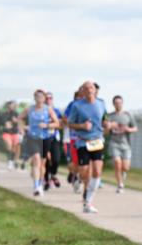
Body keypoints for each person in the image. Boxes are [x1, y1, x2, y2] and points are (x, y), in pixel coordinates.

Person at [66, 81, 107, 213]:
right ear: (82, 92)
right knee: (84, 172)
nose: (89, 90)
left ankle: (88, 201)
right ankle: (81, 182)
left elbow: (104, 118)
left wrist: (107, 124)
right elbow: (70, 124)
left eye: (91, 87)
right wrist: (82, 126)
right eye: (86, 88)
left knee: (97, 171)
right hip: (83, 141)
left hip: (97, 141)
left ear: (95, 90)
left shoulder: (101, 103)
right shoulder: (77, 106)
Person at [21, 89, 60, 196]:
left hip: (45, 138)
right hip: (33, 138)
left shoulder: (48, 109)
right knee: (36, 159)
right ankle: (36, 186)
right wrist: (22, 127)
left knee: (42, 164)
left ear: (44, 98)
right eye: (37, 96)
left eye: (41, 96)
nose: (39, 98)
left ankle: (40, 183)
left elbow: (57, 123)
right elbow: (19, 118)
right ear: (34, 98)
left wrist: (47, 125)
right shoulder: (29, 109)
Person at [105, 95, 137, 193]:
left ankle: (123, 175)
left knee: (125, 167)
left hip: (126, 144)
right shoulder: (109, 116)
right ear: (113, 104)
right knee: (117, 163)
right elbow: (105, 132)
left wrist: (128, 129)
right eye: (116, 103)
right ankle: (120, 185)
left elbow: (135, 128)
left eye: (120, 103)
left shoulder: (128, 115)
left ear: (122, 103)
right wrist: (109, 127)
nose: (118, 104)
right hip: (114, 143)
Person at [41, 92, 63, 190]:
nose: (48, 100)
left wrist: (53, 124)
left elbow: (61, 124)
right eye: (46, 98)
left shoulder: (57, 111)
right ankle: (46, 180)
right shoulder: (40, 111)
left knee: (56, 159)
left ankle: (53, 175)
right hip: (43, 138)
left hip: (54, 138)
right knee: (46, 159)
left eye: (50, 98)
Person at [1, 100, 21, 170]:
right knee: (9, 145)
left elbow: (20, 122)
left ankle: (13, 161)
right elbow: (1, 123)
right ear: (8, 106)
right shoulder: (3, 114)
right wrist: (5, 125)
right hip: (6, 133)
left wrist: (17, 121)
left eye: (13, 105)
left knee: (15, 147)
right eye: (11, 105)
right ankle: (9, 161)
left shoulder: (16, 113)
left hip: (15, 132)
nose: (12, 106)